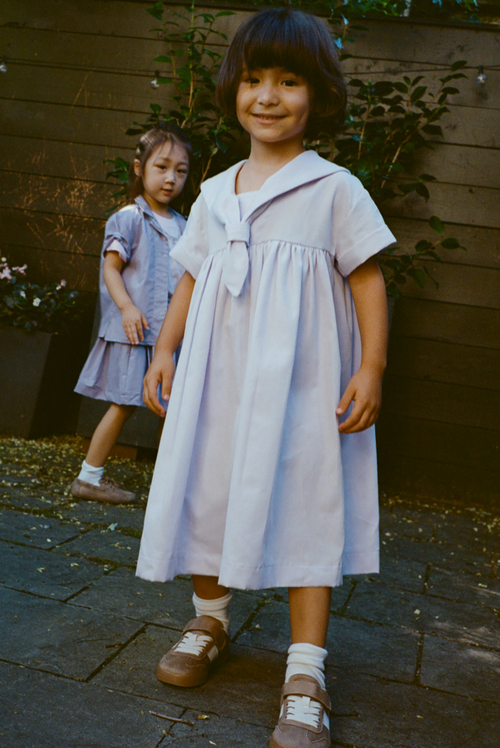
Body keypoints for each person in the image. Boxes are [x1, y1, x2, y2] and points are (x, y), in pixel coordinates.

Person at [137, 8, 396, 748]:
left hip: (303, 388)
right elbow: (190, 278)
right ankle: (209, 621)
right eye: (254, 79)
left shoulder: (334, 189)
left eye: (288, 81)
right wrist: (165, 351)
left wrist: (371, 367)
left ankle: (307, 669)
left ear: (318, 94)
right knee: (206, 484)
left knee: (306, 496)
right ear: (234, 89)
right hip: (218, 382)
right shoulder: (215, 193)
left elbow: (368, 280)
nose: (268, 96)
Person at [71, 123, 191, 504]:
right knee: (124, 403)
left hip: (168, 337)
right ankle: (89, 478)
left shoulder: (185, 227)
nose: (171, 179)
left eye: (181, 171)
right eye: (162, 167)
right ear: (139, 168)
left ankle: (168, 490)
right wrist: (126, 307)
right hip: (136, 331)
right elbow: (111, 267)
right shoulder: (129, 218)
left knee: (172, 408)